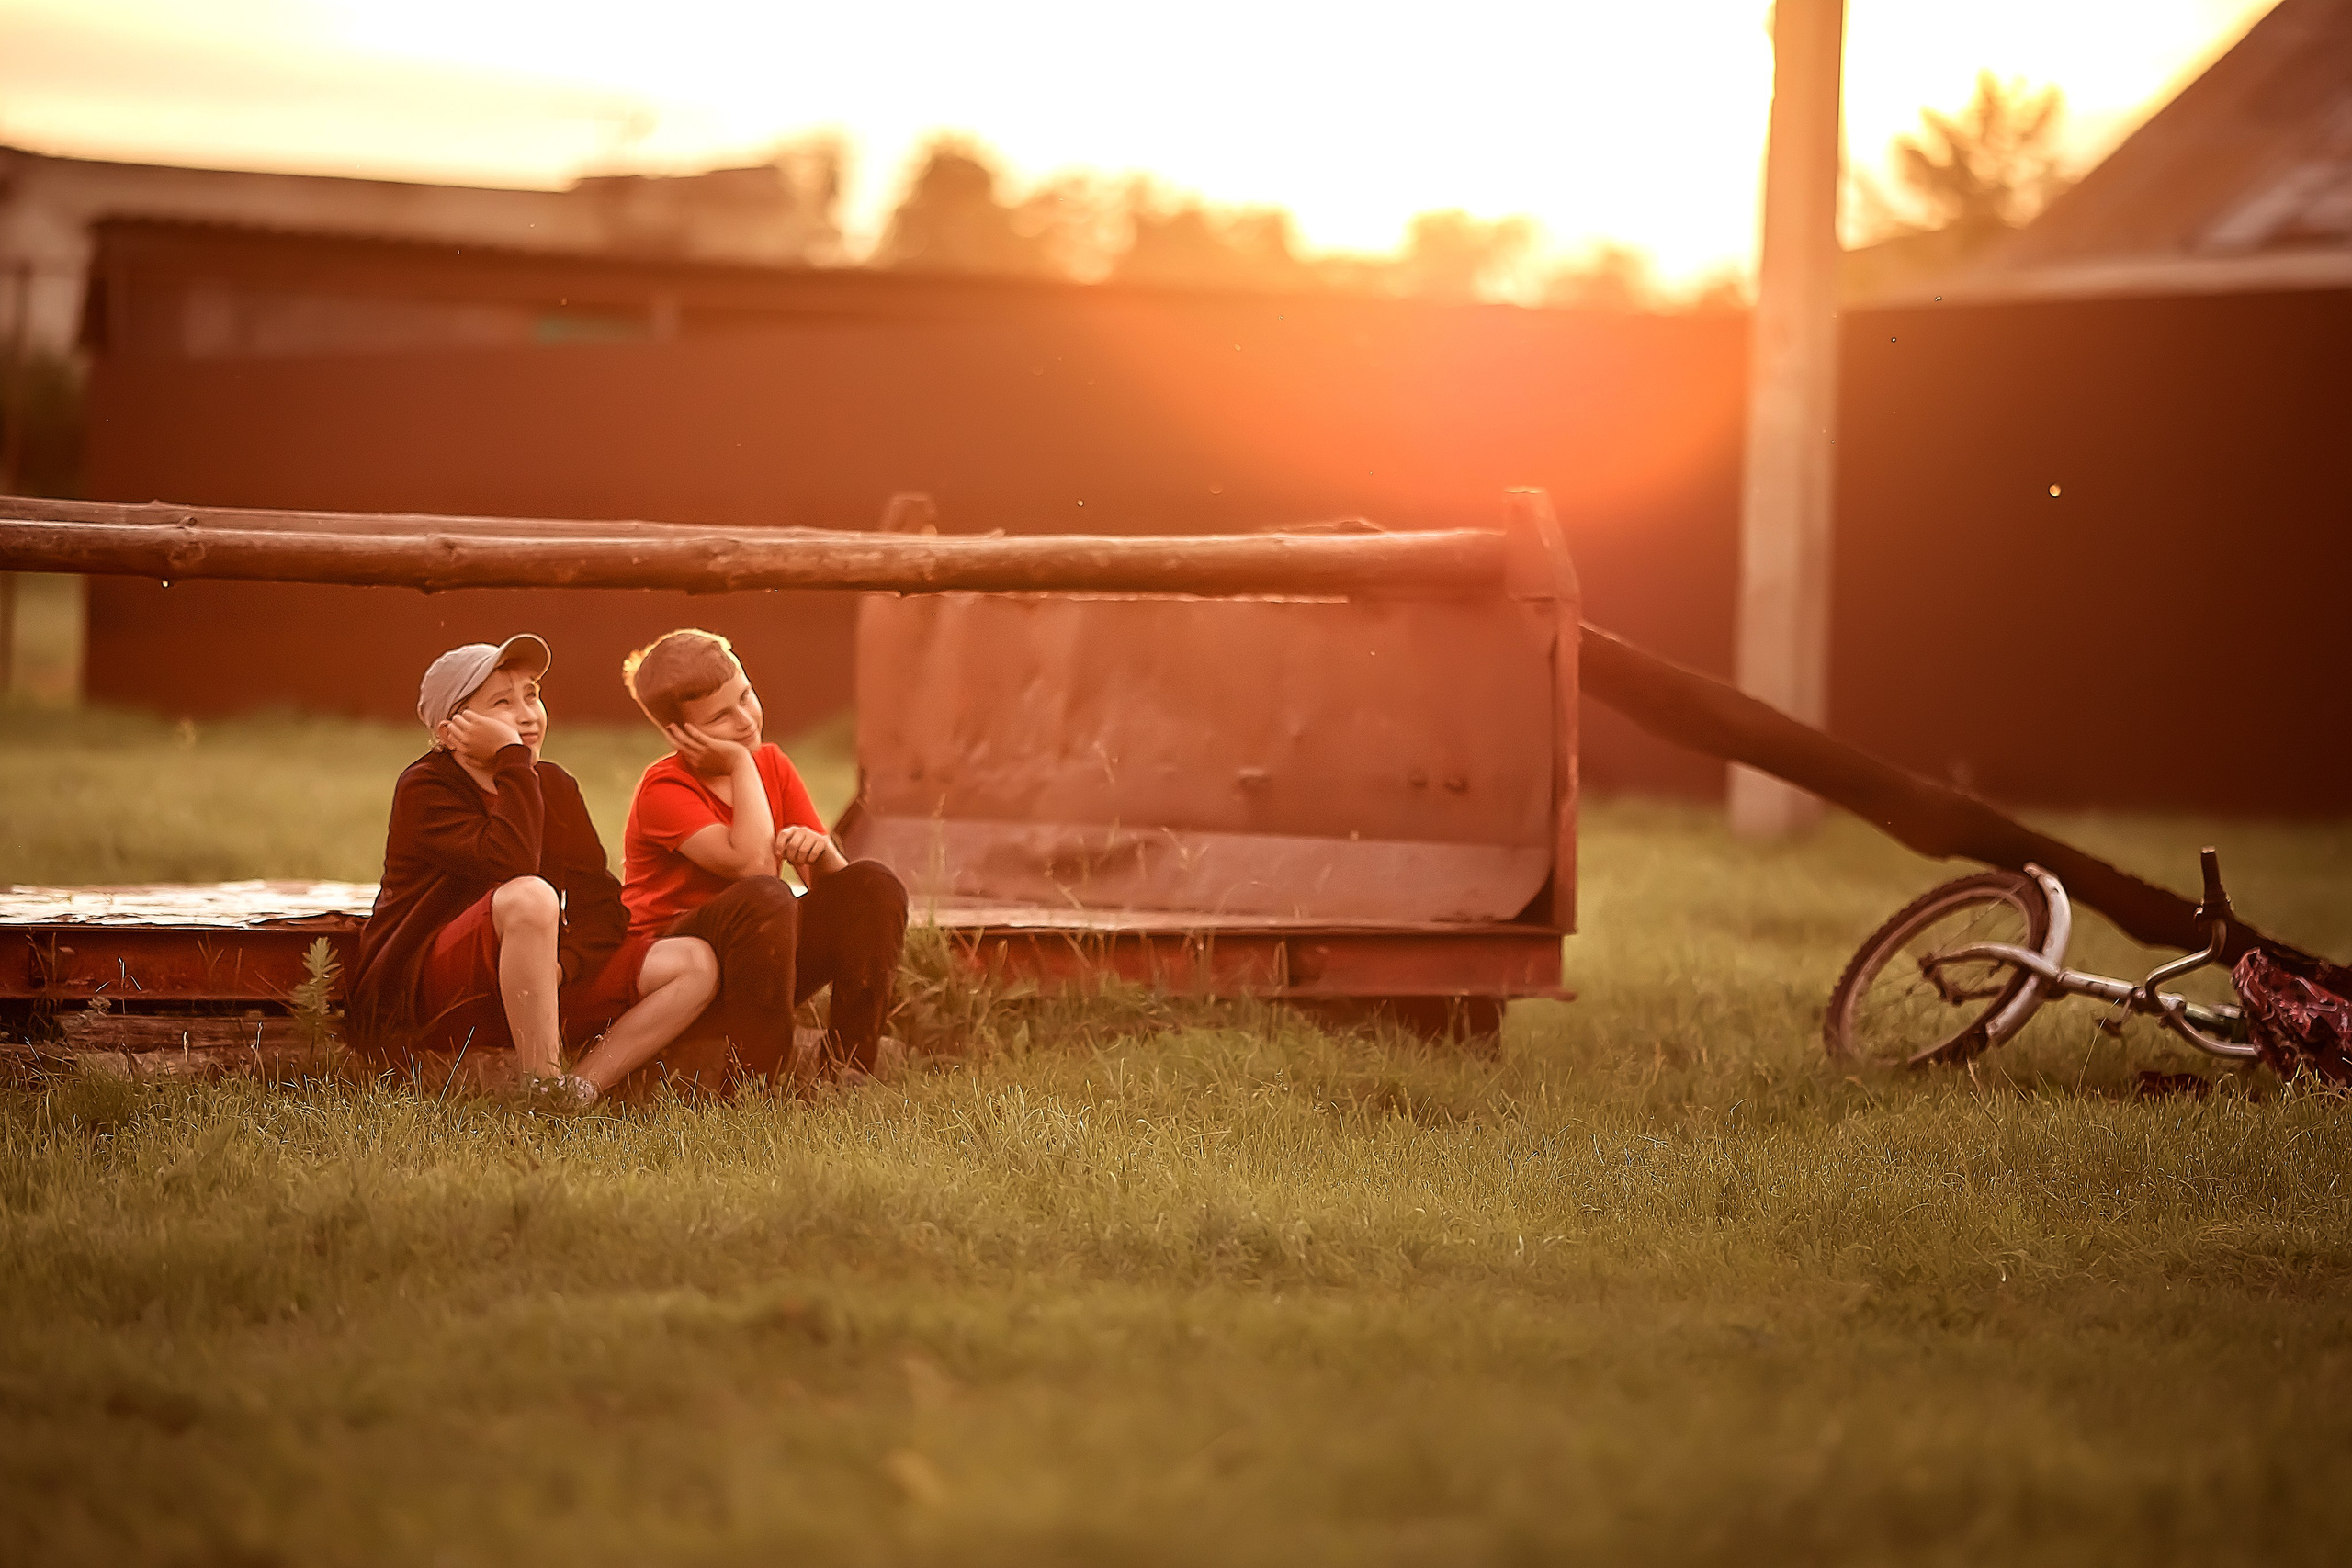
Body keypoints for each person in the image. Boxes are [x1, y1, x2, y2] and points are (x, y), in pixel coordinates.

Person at [350, 634, 718, 1104]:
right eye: (502, 703)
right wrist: (514, 759)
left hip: (532, 993)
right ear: (450, 731)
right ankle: (540, 1081)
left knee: (693, 963)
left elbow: (602, 908)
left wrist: (564, 967)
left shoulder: (553, 786)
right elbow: (512, 862)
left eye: (531, 695)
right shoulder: (426, 788)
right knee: (530, 895)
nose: (527, 715)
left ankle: (574, 1091)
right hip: (436, 999)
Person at [620, 628, 907, 1082]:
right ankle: (756, 1085)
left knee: (874, 885)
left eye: (745, 696)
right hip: (684, 976)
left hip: (761, 964)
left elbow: (836, 893)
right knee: (766, 895)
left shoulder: (773, 765)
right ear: (679, 734)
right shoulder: (664, 789)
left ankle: (848, 1070)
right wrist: (739, 763)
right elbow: (751, 866)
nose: (745, 721)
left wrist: (822, 853)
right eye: (721, 716)